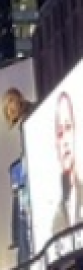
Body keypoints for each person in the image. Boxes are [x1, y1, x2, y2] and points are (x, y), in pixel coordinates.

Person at [53, 91, 83, 238]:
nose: (64, 140)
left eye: (68, 127)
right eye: (59, 133)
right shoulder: (56, 219)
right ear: (55, 144)